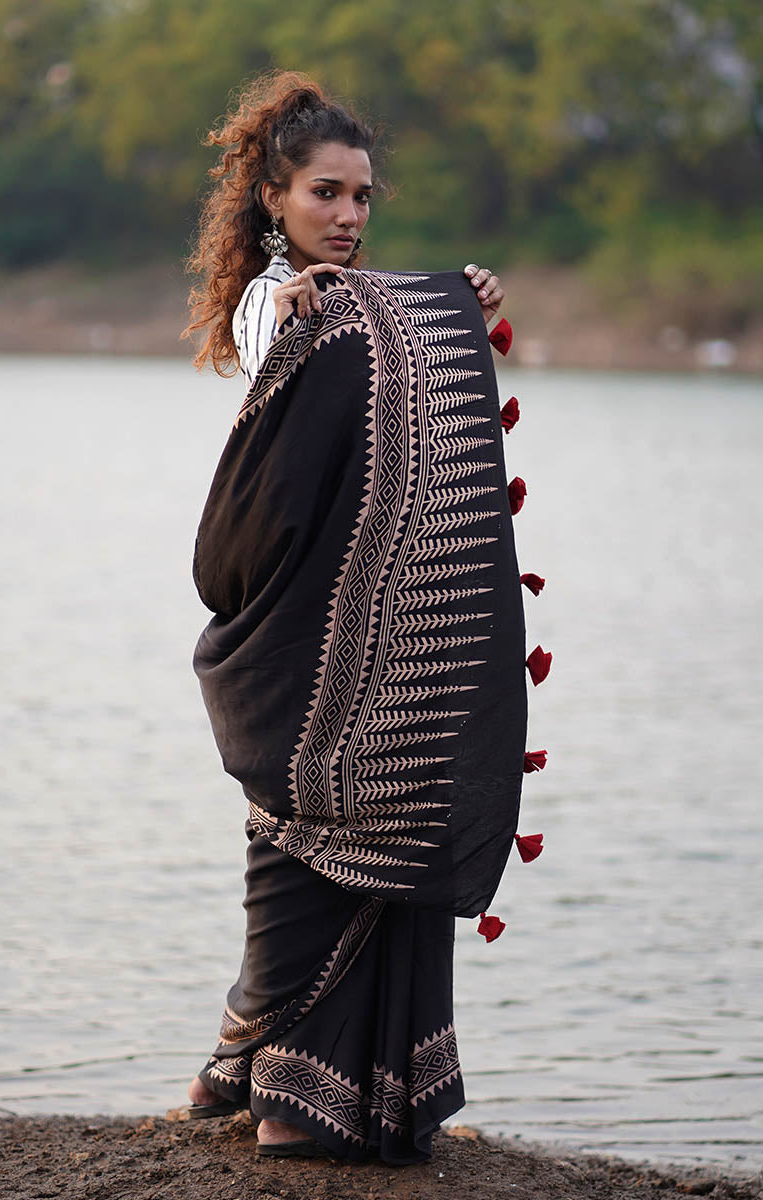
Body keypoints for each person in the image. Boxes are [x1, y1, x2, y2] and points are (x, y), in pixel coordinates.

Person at [181, 70, 522, 1164]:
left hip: (376, 642)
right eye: (325, 192)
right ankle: (270, 1079)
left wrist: (462, 304)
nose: (347, 215)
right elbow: (266, 342)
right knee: (296, 841)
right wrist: (289, 312)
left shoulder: (373, 313)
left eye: (362, 196)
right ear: (274, 198)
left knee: (393, 813)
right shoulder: (279, 303)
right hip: (299, 638)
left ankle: (288, 1078)